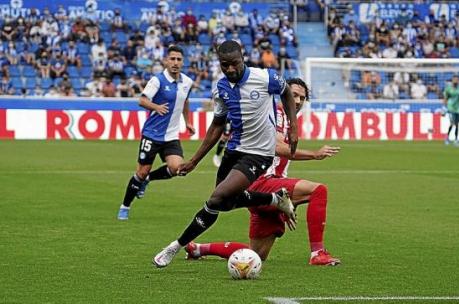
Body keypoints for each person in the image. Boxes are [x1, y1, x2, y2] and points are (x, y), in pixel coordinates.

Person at [152, 40, 299, 268]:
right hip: (233, 150)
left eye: (234, 64)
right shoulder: (220, 88)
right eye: (224, 65)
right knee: (225, 203)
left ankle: (176, 245)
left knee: (216, 199)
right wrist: (194, 160)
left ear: (243, 58)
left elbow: (287, 93)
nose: (230, 69)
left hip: (258, 154)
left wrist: (293, 127)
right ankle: (275, 199)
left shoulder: (265, 77)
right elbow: (217, 125)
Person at [184, 78, 341, 266]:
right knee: (318, 191)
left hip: (262, 189)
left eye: (303, 98)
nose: (298, 101)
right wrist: (314, 154)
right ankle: (318, 253)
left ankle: (199, 249)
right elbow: (276, 147)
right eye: (294, 95)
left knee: (254, 255)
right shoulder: (277, 114)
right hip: (262, 182)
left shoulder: (286, 119)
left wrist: (289, 203)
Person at [117, 45, 195, 220]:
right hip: (152, 134)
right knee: (141, 171)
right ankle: (125, 206)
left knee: (177, 168)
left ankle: (148, 180)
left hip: (171, 136)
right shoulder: (157, 80)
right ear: (166, 61)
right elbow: (142, 100)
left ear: (183, 62)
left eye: (178, 59)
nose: (175, 62)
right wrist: (156, 107)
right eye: (172, 59)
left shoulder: (187, 82)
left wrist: (187, 121)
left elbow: (185, 101)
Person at [443, 75, 459, 146]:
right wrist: (444, 107)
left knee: (457, 124)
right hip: (450, 108)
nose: (456, 80)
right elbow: (445, 98)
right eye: (454, 79)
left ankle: (456, 139)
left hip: (457, 109)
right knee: (452, 123)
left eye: (457, 79)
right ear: (452, 80)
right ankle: (447, 138)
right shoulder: (448, 89)